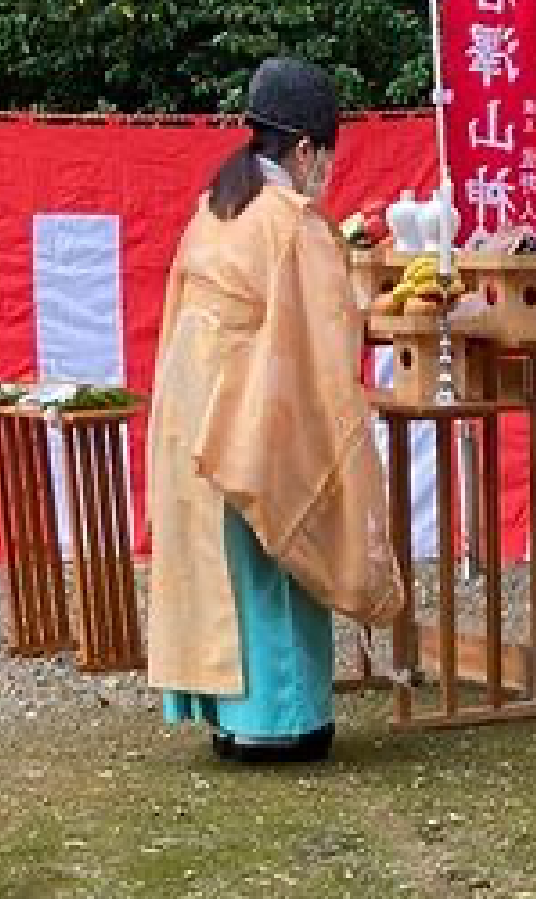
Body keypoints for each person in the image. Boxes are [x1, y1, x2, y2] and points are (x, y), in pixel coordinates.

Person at [145, 58, 405, 763]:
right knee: (285, 541)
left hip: (191, 398)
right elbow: (323, 331)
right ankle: (281, 720)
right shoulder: (291, 223)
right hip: (252, 399)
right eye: (326, 156)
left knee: (224, 562)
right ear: (306, 149)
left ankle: (231, 717)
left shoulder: (215, 207)